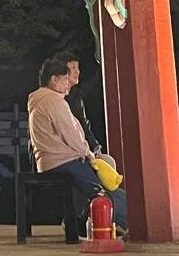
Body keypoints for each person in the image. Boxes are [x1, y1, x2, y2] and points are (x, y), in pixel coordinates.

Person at [27, 56, 127, 233]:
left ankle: (112, 222)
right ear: (54, 79)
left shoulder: (41, 100)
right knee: (103, 188)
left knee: (103, 179)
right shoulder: (53, 101)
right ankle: (133, 221)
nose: (68, 83)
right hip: (64, 161)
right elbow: (70, 134)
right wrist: (88, 154)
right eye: (65, 78)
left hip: (54, 160)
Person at [52, 51, 107, 157]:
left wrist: (95, 147)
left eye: (77, 68)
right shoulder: (55, 99)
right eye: (72, 68)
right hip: (64, 155)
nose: (77, 72)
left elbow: (84, 125)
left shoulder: (75, 96)